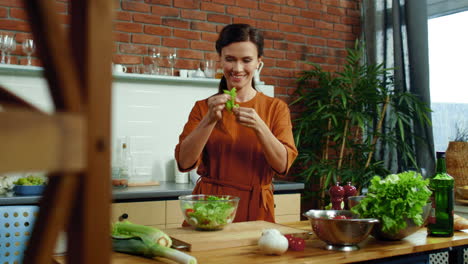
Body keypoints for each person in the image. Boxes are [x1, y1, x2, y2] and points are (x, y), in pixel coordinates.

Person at [175, 24, 298, 223]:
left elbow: (283, 165)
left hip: (255, 210)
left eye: (246, 60)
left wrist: (260, 126)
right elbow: (184, 162)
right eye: (230, 59)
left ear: (259, 62)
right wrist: (209, 120)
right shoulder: (203, 108)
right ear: (220, 60)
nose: (237, 68)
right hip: (209, 208)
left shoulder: (276, 108)